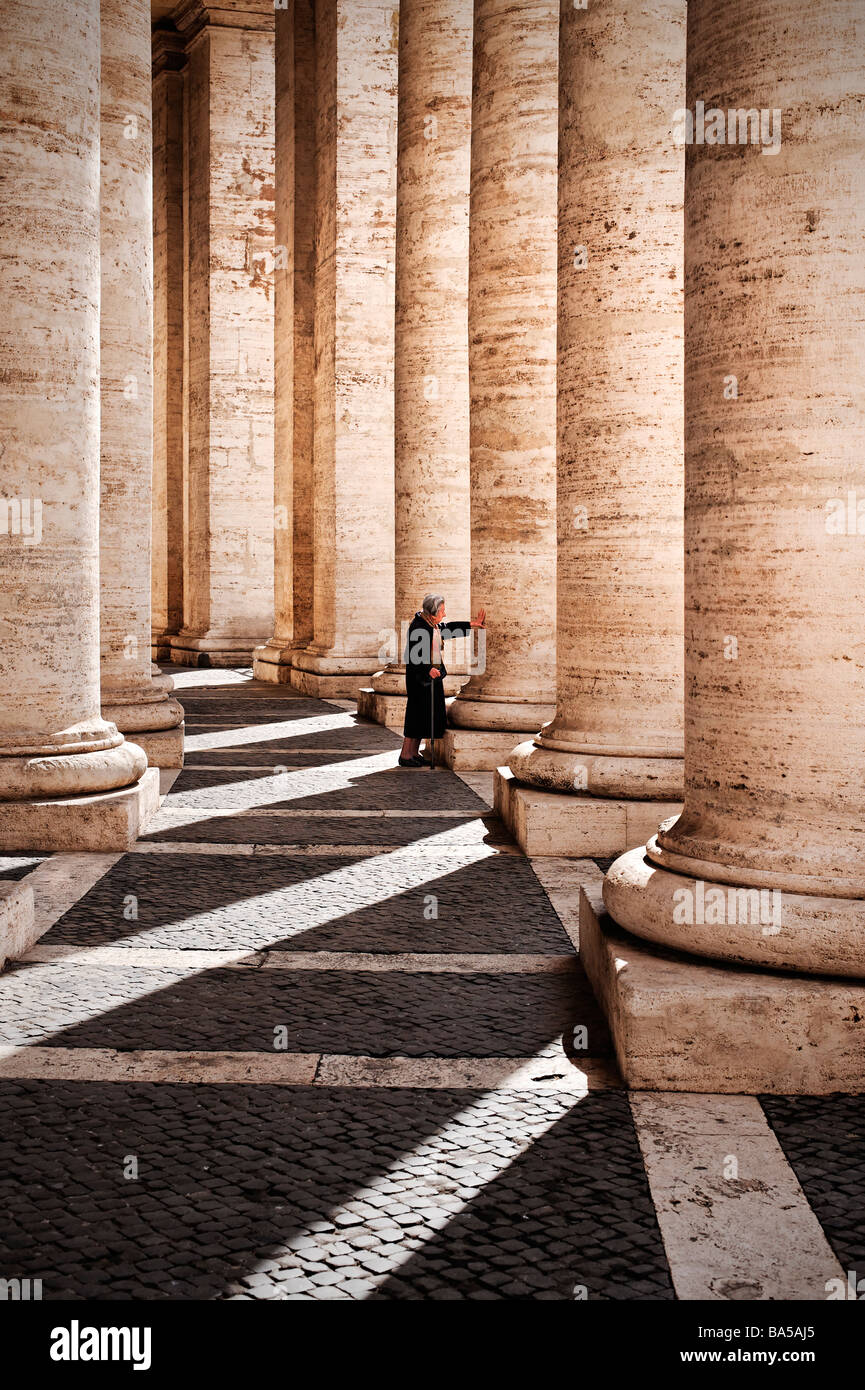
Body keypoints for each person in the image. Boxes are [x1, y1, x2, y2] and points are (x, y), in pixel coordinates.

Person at [399, 594, 486, 767]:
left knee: (423, 717)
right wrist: (427, 670)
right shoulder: (419, 627)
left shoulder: (430, 624)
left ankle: (413, 753)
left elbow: (447, 629)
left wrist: (471, 624)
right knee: (416, 716)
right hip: (421, 680)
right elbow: (411, 656)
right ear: (432, 612)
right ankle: (405, 755)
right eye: (442, 611)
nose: (444, 614)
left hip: (431, 677)